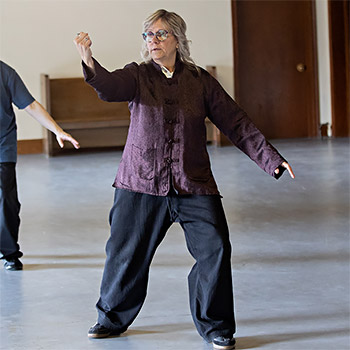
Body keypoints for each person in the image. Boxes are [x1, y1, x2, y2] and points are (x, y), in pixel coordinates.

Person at [74, 9, 295, 350]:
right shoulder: (137, 75)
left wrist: (272, 160)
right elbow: (108, 87)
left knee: (215, 249)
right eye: (148, 35)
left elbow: (235, 122)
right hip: (141, 183)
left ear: (178, 38)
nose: (153, 41)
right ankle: (111, 319)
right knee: (125, 255)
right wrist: (88, 58)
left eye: (160, 34)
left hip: (193, 184)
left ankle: (216, 326)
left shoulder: (200, 80)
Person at [0, 60, 80, 271]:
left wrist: (57, 130)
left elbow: (31, 105)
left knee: (5, 200)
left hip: (2, 148)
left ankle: (9, 253)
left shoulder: (5, 72)